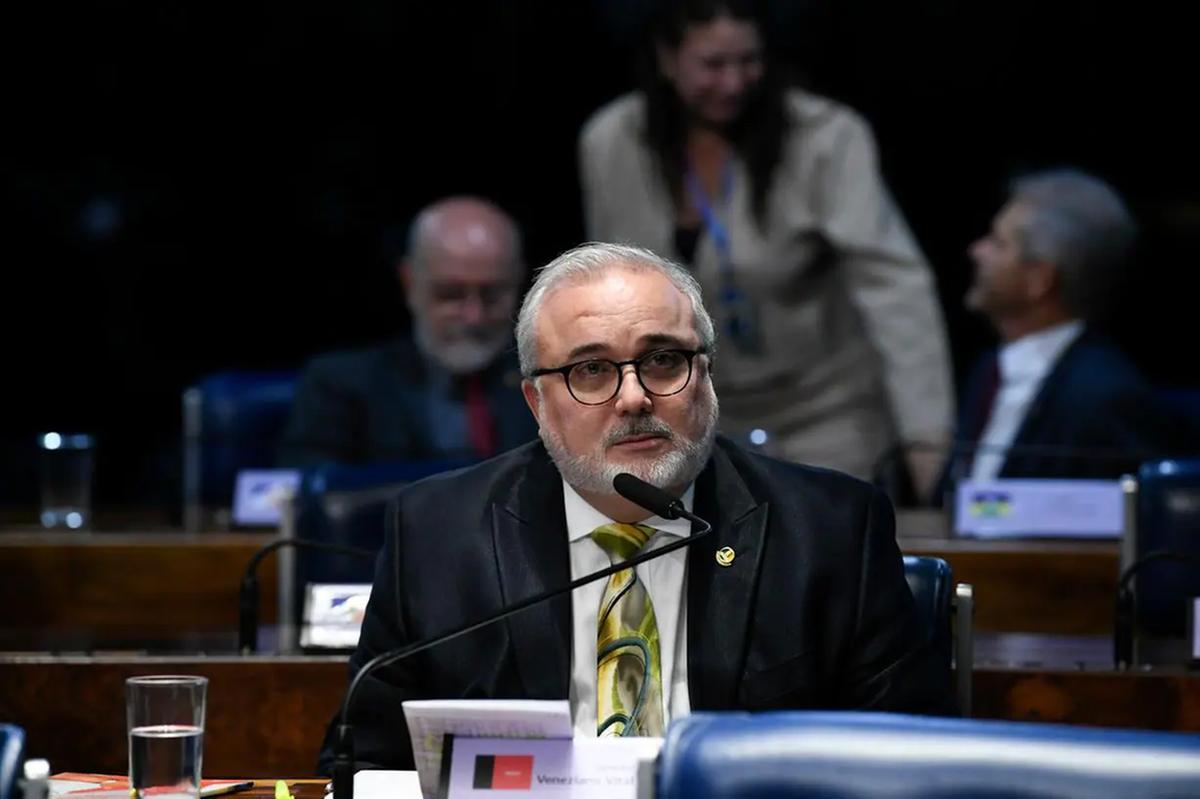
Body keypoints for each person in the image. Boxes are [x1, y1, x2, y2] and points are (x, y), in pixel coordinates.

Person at [318, 242, 953, 773]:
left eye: (662, 360)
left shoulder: (831, 530)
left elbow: (909, 767)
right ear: (538, 404)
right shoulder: (437, 533)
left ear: (703, 375)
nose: (633, 397)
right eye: (590, 370)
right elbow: (364, 766)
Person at [577, 0, 953, 500]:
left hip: (826, 414)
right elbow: (608, 293)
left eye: (748, 62)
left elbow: (894, 290)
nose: (734, 83)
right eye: (713, 65)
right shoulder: (612, 142)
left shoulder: (827, 137)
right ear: (667, 60)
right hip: (687, 412)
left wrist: (926, 438)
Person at [943, 168, 1191, 485]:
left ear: (1039, 279)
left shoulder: (1106, 397)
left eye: (998, 242)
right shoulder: (987, 371)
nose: (977, 250)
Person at [278, 196, 538, 466]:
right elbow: (299, 496)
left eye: (492, 294)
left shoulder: (548, 380)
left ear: (518, 282)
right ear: (409, 282)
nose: (474, 316)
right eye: (450, 295)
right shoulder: (339, 386)